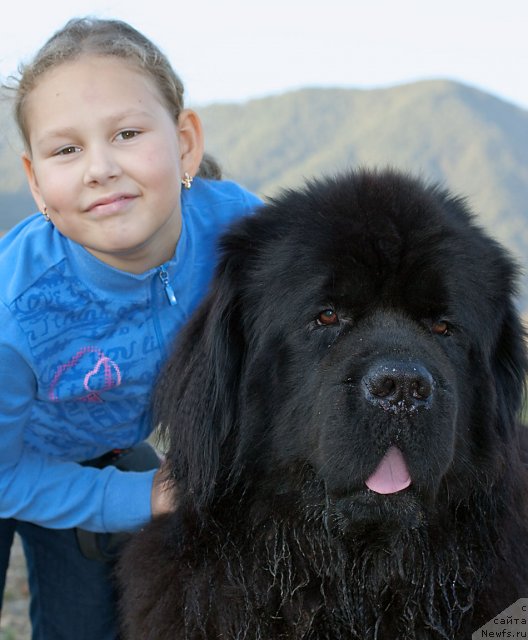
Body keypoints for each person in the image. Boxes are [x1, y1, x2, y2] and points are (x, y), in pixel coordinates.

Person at [0, 16, 261, 639]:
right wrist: (144, 498)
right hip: (9, 457)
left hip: (96, 456)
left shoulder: (244, 235)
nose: (100, 168)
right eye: (66, 150)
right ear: (36, 180)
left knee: (91, 626)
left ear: (186, 144)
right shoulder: (14, 311)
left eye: (126, 133)